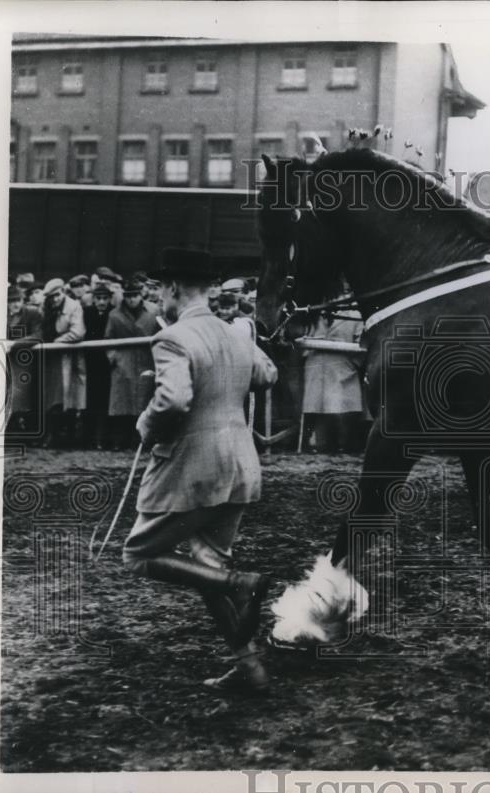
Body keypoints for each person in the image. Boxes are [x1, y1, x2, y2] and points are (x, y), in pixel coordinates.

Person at [122, 247, 278, 694]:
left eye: (158, 292)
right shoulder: (237, 333)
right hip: (240, 465)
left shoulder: (171, 338)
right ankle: (251, 669)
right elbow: (268, 376)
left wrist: (146, 424)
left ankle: (241, 584)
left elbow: (173, 401)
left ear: (172, 289)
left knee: (138, 556)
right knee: (207, 562)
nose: (157, 301)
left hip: (194, 468)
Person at [105, 282, 160, 449]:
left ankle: (141, 440)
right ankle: (120, 440)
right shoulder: (114, 315)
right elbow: (108, 339)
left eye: (135, 296)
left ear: (141, 296)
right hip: (124, 360)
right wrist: (114, 357)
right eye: (128, 296)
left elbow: (161, 334)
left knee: (143, 401)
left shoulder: (153, 312)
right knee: (122, 404)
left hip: (146, 359)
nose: (131, 300)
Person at [301, 310, 365, 453]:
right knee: (316, 407)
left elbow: (362, 344)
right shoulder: (313, 314)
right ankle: (317, 444)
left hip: (342, 367)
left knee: (342, 407)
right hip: (316, 366)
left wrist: (352, 364)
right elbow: (301, 339)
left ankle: (344, 444)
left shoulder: (355, 316)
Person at [40, 278, 87, 446]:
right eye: (52, 297)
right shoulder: (46, 308)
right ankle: (51, 434)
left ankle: (67, 437)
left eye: (58, 295)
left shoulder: (74, 306)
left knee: (68, 397)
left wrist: (57, 342)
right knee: (50, 397)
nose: (55, 299)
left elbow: (78, 332)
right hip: (50, 358)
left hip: (68, 358)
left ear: (63, 292)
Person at [6, 284, 44, 435]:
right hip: (5, 362)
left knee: (23, 398)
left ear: (23, 300)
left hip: (25, 362)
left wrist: (14, 344)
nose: (15, 304)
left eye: (18, 300)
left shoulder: (32, 313)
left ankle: (24, 432)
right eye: (11, 300)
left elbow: (38, 336)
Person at [84, 284, 115, 449]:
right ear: (93, 299)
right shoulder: (87, 313)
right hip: (90, 362)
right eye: (98, 298)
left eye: (105, 298)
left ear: (110, 299)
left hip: (108, 363)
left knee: (105, 401)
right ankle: (88, 438)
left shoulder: (114, 313)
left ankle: (102, 438)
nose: (102, 302)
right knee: (91, 400)